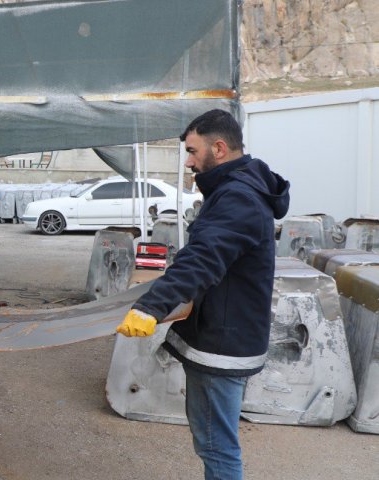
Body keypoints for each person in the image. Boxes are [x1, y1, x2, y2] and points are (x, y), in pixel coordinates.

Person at [116, 109, 289, 479]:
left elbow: (204, 257)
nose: (189, 161)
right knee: (214, 443)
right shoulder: (236, 189)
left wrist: (152, 306)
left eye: (193, 151)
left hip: (223, 344)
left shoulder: (239, 197)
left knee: (217, 447)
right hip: (224, 335)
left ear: (220, 148)